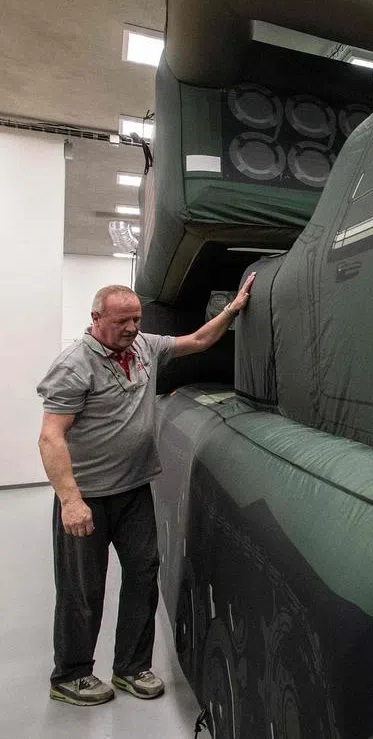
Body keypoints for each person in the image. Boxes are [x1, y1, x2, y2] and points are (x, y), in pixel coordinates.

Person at [36, 274, 255, 706]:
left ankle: (131, 667)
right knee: (83, 590)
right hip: (87, 497)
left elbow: (196, 341)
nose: (132, 328)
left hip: (134, 489)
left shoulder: (143, 347)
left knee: (142, 574)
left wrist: (231, 310)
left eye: (136, 319)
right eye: (122, 321)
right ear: (96, 317)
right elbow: (50, 437)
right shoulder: (74, 366)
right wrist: (70, 500)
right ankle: (71, 675)